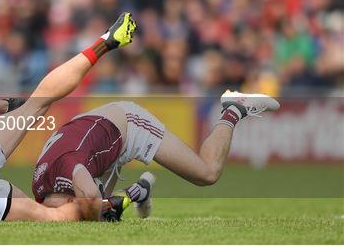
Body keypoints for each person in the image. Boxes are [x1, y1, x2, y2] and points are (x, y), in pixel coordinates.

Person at [0, 12, 137, 222]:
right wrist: (14, 105)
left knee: (51, 217)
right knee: (38, 103)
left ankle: (107, 205)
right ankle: (104, 42)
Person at [32, 91, 280, 219]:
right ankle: (140, 190)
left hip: (127, 124)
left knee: (207, 172)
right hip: (94, 136)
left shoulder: (69, 167)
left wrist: (96, 209)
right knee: (97, 215)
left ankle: (234, 107)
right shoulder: (42, 190)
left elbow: (90, 198)